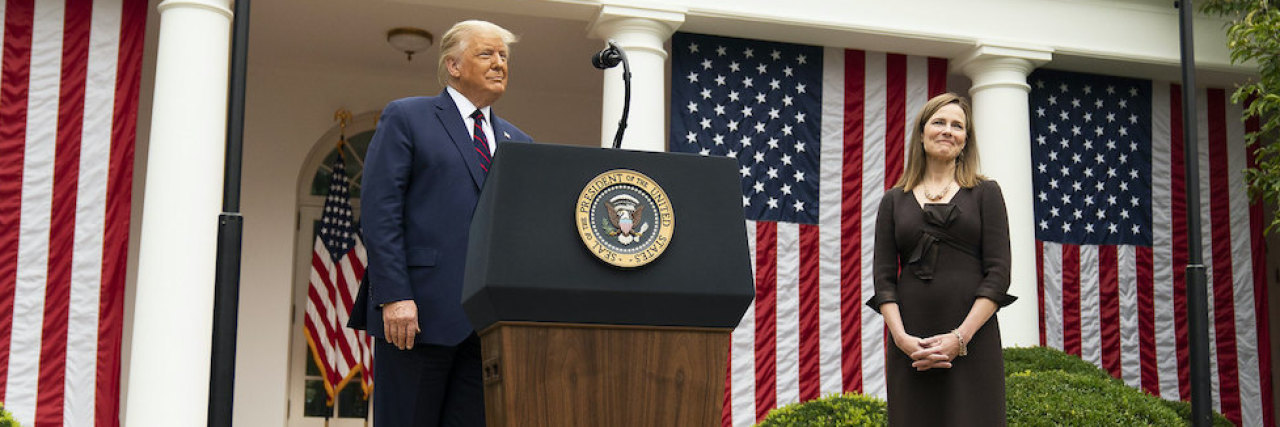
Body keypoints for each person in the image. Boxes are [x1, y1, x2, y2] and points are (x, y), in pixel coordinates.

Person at [358, 20, 533, 426]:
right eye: (486, 54)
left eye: (504, 56)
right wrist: (395, 295)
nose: (499, 64)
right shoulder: (408, 117)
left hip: (486, 329)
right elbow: (381, 212)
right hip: (415, 317)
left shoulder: (519, 142)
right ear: (453, 65)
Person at [866, 93, 1017, 426]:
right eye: (939, 122)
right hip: (912, 345)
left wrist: (959, 339)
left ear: (965, 140)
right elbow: (884, 279)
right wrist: (903, 339)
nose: (948, 131)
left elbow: (998, 275)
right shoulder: (893, 201)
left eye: (957, 126)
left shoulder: (985, 193)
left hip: (972, 340)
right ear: (922, 134)